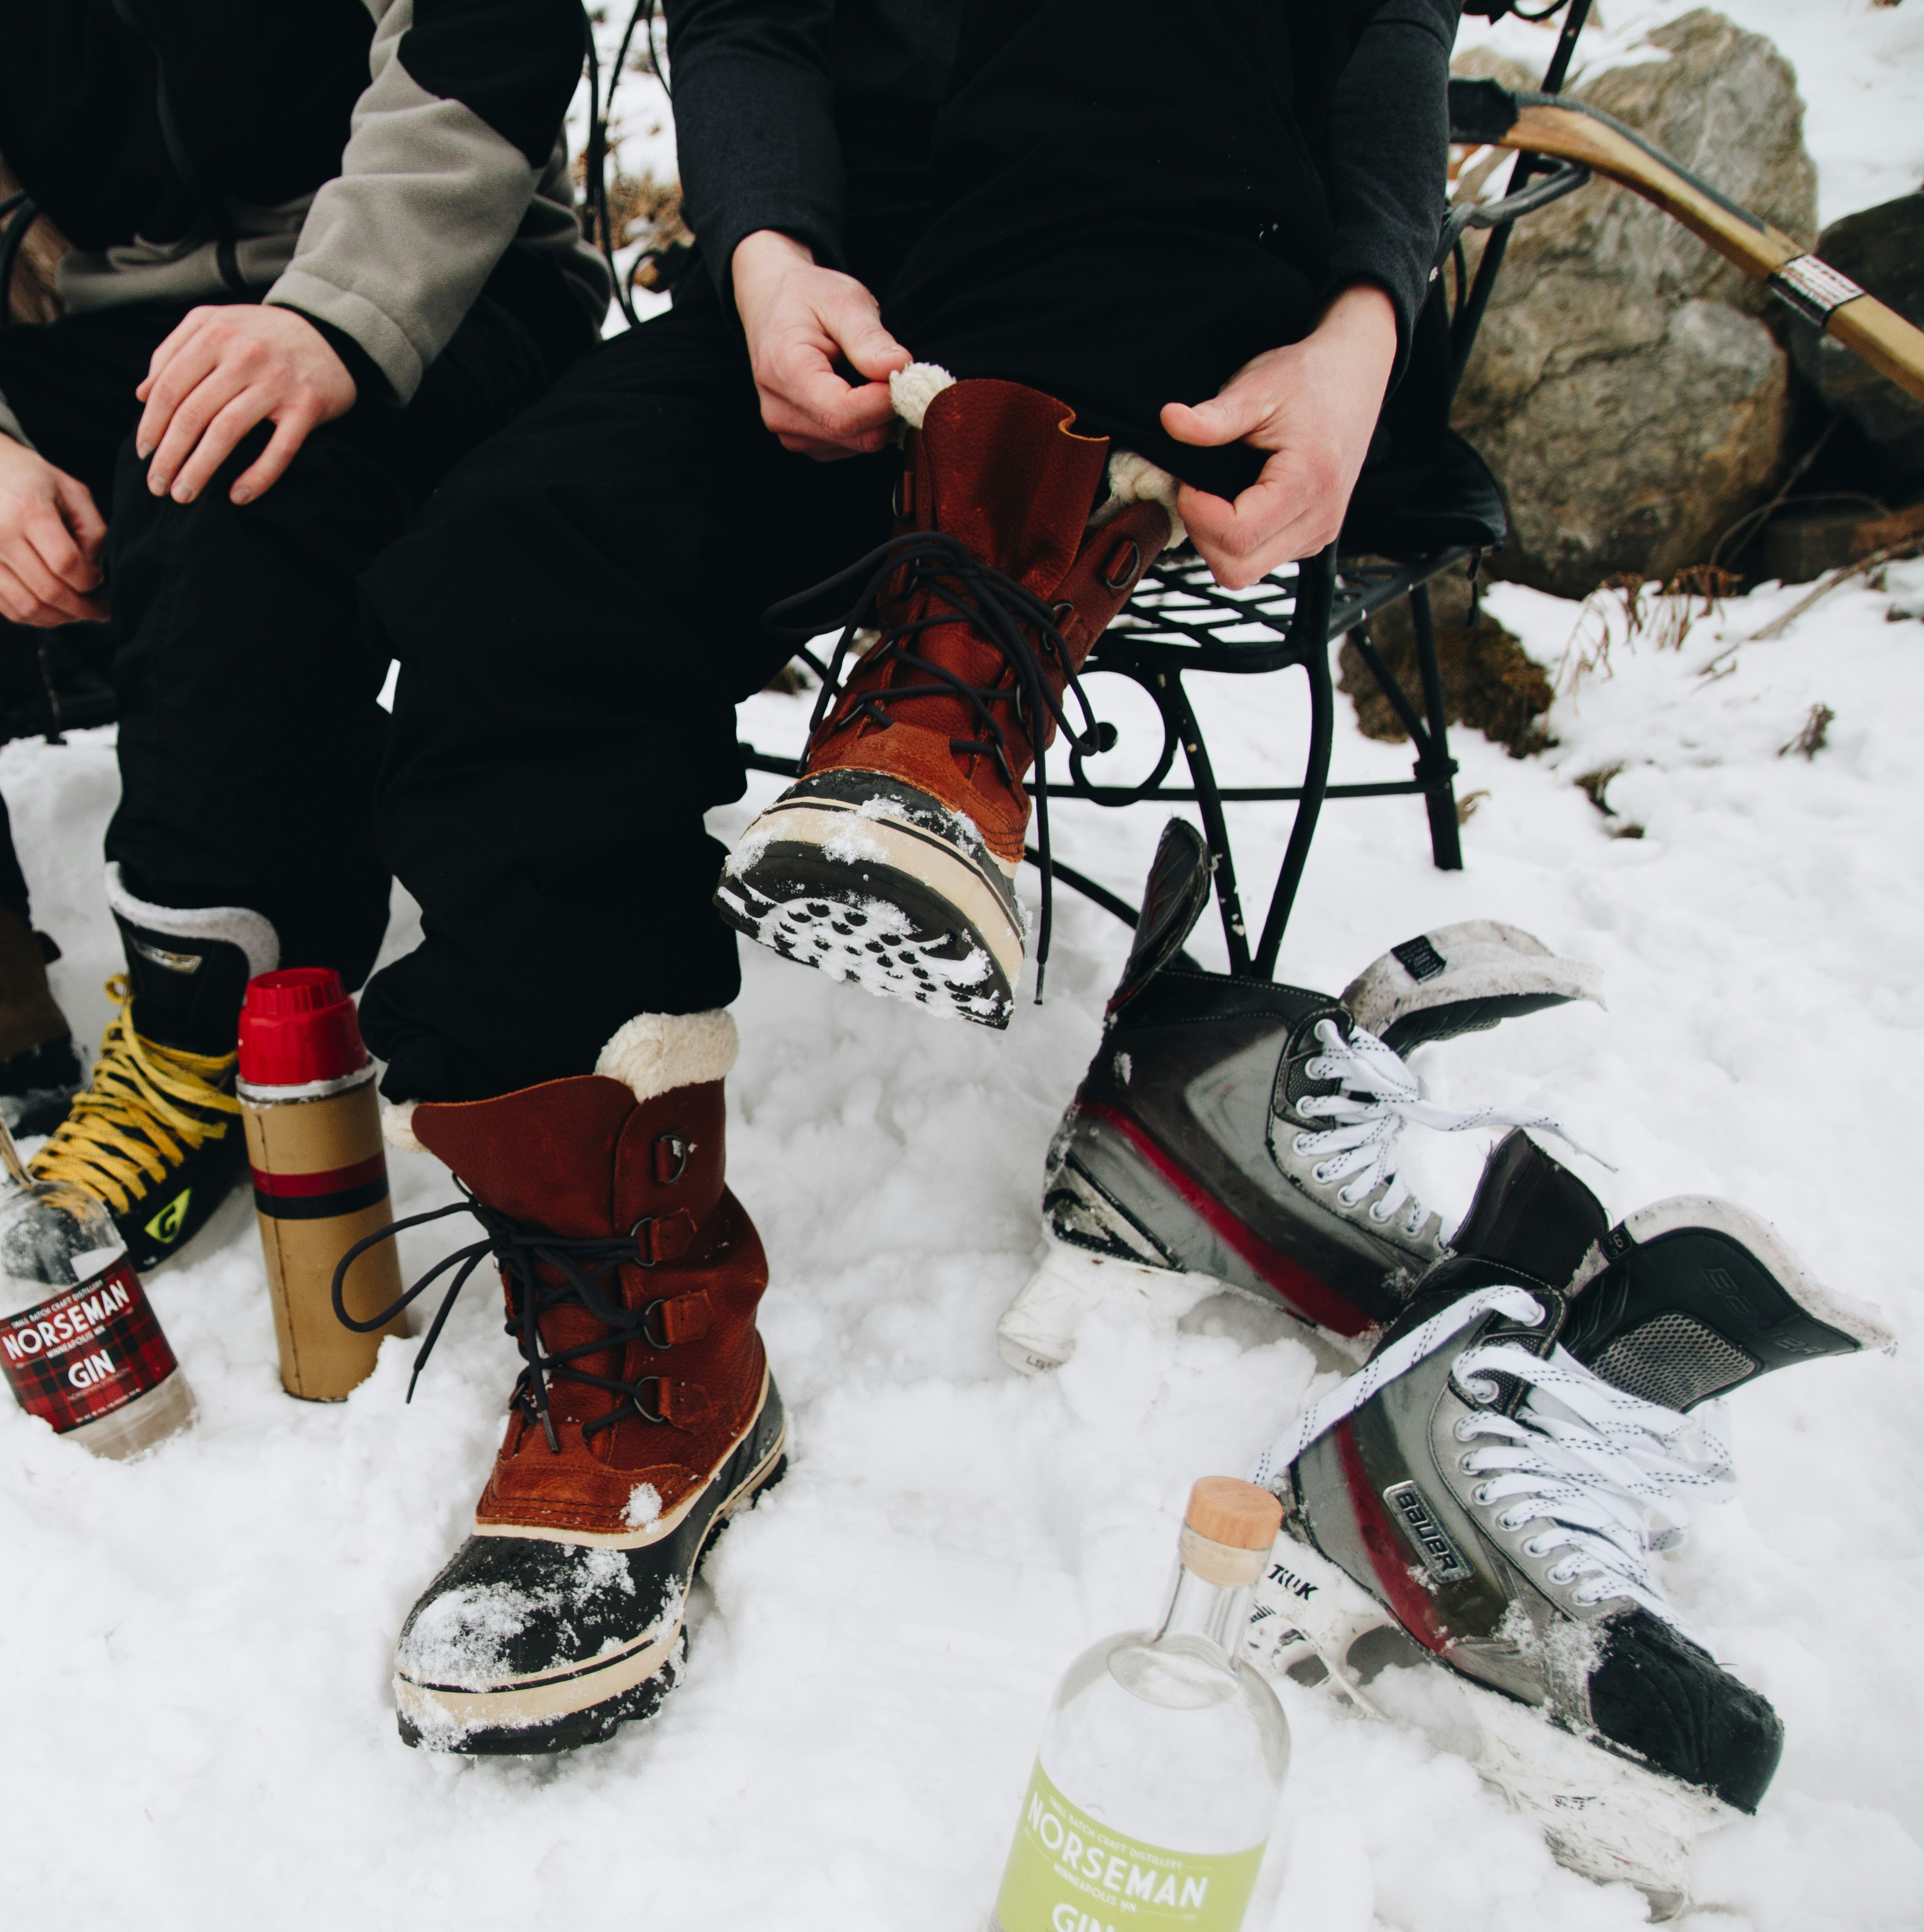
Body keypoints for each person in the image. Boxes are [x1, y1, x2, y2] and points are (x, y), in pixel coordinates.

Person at [355, 0, 1469, 1752]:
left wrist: (1366, 322)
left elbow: (1387, 28)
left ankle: (954, 681)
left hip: (1200, 309)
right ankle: (649, 1353)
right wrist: (771, 254)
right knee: (515, 561)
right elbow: (752, 28)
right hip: (873, 323)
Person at [0, 0, 608, 1251]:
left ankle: (207, 1036)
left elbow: (489, 45)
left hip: (446, 283)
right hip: (149, 336)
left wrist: (327, 317)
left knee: (216, 465)